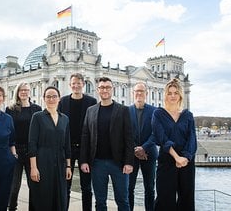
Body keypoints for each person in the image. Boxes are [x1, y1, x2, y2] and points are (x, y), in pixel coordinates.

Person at [80, 77, 134, 211]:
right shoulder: (90, 110)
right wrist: (83, 161)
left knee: (122, 200)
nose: (105, 90)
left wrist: (129, 162)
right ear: (98, 90)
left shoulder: (123, 110)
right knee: (100, 201)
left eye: (108, 87)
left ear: (112, 89)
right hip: (97, 163)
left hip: (119, 163)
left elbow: (129, 138)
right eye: (102, 87)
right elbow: (85, 137)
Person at [152, 78, 197, 211]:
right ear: (165, 95)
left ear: (180, 95)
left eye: (175, 93)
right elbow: (161, 138)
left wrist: (186, 158)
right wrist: (176, 157)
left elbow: (192, 138)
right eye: (169, 93)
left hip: (186, 162)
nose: (172, 96)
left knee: (186, 199)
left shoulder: (188, 115)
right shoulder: (158, 113)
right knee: (164, 199)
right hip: (167, 160)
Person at [28, 86, 72, 211]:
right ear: (44, 99)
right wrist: (33, 167)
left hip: (60, 162)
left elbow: (67, 144)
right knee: (42, 196)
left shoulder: (65, 119)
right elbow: (32, 143)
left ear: (59, 99)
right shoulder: (37, 117)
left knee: (60, 196)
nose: (51, 99)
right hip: (42, 161)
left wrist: (68, 166)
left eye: (54, 96)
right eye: (48, 96)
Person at [58, 73, 97, 211]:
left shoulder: (91, 102)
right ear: (70, 85)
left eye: (79, 83)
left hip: (85, 149)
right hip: (67, 148)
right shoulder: (62, 102)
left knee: (86, 186)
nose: (76, 86)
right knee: (66, 185)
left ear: (83, 85)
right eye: (73, 83)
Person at [6, 83, 41, 211]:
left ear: (30, 92)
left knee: (34, 184)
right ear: (17, 92)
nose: (24, 92)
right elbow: (8, 131)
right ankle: (12, 208)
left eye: (26, 90)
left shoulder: (37, 109)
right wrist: (11, 150)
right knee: (14, 186)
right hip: (16, 151)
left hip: (32, 151)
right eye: (21, 90)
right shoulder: (10, 109)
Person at [128, 82, 158, 211]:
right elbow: (125, 133)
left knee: (150, 188)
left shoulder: (155, 111)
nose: (139, 93)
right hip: (131, 154)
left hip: (149, 154)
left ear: (146, 94)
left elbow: (156, 133)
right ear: (133, 93)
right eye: (137, 91)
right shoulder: (127, 111)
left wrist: (144, 148)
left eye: (142, 91)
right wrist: (136, 149)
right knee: (129, 187)